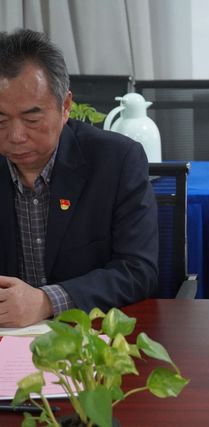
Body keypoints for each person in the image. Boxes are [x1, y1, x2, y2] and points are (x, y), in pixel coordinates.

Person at [0, 29, 158, 327]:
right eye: (0, 120)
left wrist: (47, 301)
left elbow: (138, 270)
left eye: (32, 119)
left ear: (65, 106)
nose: (16, 136)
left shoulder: (116, 161)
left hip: (90, 334)